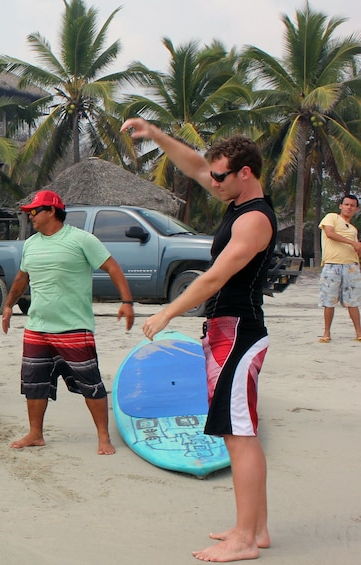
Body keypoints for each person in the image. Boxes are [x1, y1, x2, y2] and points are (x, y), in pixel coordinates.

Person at [123, 117, 275, 562]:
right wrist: (154, 134)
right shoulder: (236, 200)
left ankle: (245, 540)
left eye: (222, 176)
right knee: (238, 433)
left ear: (245, 172)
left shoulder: (255, 220)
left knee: (239, 435)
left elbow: (214, 277)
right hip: (225, 333)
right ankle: (256, 528)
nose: (214, 183)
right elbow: (193, 165)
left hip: (240, 335)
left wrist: (167, 312)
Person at [0, 189, 134, 456]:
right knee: (34, 383)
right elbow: (21, 278)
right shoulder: (31, 244)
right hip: (37, 327)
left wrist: (127, 302)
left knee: (90, 384)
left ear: (51, 211)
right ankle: (36, 434)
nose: (31, 217)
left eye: (34, 211)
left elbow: (113, 268)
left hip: (73, 327)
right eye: (29, 213)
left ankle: (103, 437)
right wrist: (7, 305)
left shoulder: (81, 239)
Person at [317, 194, 361, 342]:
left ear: (356, 209)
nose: (349, 207)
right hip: (332, 264)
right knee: (329, 300)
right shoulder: (332, 218)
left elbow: (356, 249)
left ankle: (358, 333)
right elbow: (329, 233)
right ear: (341, 206)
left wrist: (357, 246)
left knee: (353, 301)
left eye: (352, 205)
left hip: (351, 266)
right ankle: (326, 333)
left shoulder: (354, 229)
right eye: (346, 204)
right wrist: (352, 243)